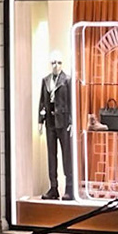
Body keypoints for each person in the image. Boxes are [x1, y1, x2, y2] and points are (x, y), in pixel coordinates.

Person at [38, 54, 74, 201]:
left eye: (59, 62)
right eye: (53, 62)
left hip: (64, 121)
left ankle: (69, 187)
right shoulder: (45, 80)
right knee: (51, 155)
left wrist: (72, 120)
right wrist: (40, 120)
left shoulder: (67, 80)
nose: (56, 65)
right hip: (50, 122)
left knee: (67, 155)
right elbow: (42, 101)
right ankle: (53, 187)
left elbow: (72, 101)